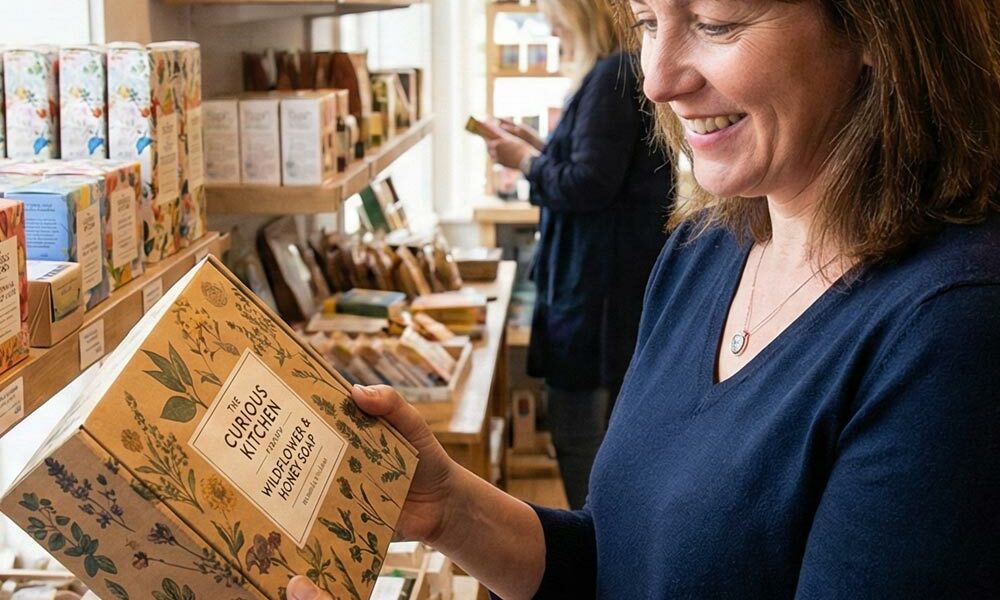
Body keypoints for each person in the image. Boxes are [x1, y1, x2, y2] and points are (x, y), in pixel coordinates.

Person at [289, 0, 1000, 597]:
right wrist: (452, 511)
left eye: (716, 23)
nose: (657, 79)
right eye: (645, 22)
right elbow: (621, 559)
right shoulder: (703, 253)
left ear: (876, 28)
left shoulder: (953, 331)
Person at [486, 0, 672, 510]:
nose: (548, 26)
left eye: (554, 15)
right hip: (603, 284)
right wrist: (538, 150)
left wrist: (524, 161)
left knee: (579, 432)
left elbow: (589, 184)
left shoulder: (614, 74)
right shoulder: (615, 72)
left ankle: (591, 548)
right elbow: (594, 167)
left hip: (597, 293)